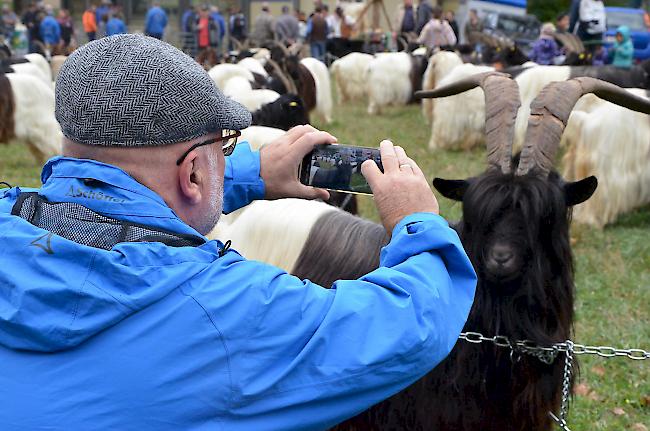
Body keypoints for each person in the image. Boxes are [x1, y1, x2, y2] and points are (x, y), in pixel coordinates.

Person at [0, 34, 476, 430]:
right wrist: (417, 222)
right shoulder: (225, 312)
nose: (227, 155)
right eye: (223, 145)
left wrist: (244, 173)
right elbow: (412, 323)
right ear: (191, 174)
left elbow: (114, 202)